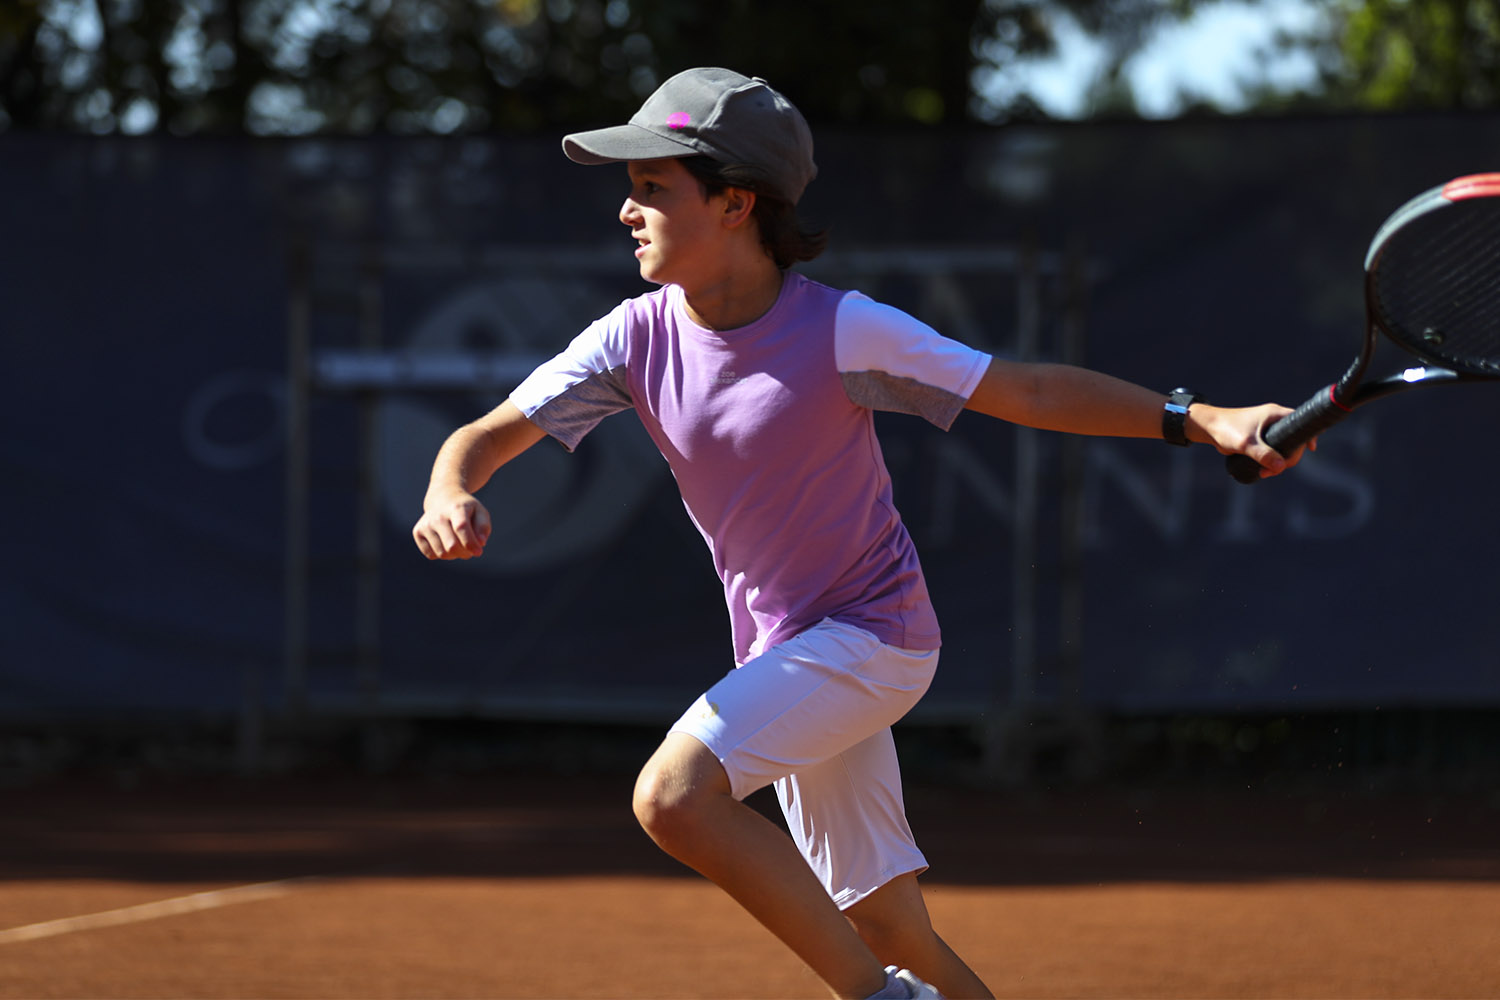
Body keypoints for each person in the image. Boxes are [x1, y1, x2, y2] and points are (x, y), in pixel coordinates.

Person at [411, 67, 1307, 1000]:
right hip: (782, 652)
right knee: (885, 918)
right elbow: (482, 438)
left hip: (874, 635)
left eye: (651, 189)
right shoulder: (632, 339)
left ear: (732, 203)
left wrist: (1203, 418)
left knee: (672, 800)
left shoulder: (844, 331)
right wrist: (450, 492)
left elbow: (1027, 389)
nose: (627, 213)